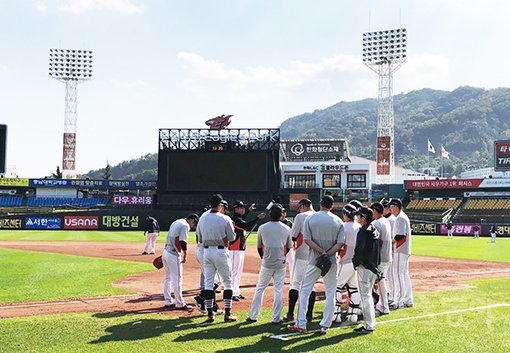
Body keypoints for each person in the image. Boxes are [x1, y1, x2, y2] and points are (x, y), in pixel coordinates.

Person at [287, 195, 345, 335]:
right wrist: (328, 253)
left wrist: (321, 252)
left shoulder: (310, 218)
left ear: (320, 204)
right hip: (331, 260)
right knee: (331, 291)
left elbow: (307, 239)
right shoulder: (338, 221)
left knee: (305, 290)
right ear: (332, 206)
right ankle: (325, 325)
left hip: (314, 259)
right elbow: (340, 243)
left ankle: (301, 323)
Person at [246, 204, 293, 323]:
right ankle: (276, 318)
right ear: (281, 214)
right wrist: (282, 257)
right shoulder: (286, 228)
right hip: (280, 263)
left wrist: (264, 258)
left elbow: (259, 247)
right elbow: (288, 247)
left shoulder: (262, 227)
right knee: (278, 289)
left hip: (267, 263)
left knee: (260, 288)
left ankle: (253, 316)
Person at [196, 194, 237, 323]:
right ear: (220, 205)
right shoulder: (225, 219)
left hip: (207, 251)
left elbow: (199, 237)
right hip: (220, 251)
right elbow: (232, 238)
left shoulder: (202, 218)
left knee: (208, 283)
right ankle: (228, 313)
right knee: (227, 282)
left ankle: (210, 315)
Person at [283, 198, 316, 322]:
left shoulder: (300, 217)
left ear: (302, 206)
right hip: (315, 255)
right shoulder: (318, 216)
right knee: (311, 286)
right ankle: (309, 315)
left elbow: (293, 236)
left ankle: (291, 313)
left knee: (296, 283)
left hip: (302, 254)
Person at [352, 207, 382, 335]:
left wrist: (355, 262)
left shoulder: (363, 231)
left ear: (363, 218)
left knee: (365, 296)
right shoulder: (374, 230)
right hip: (373, 267)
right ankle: (370, 323)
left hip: (364, 267)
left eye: (358, 216)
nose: (357, 218)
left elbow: (359, 250)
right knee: (368, 295)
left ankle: (369, 325)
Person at [162, 213, 199, 311]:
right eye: (194, 224)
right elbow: (182, 241)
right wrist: (185, 254)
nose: (193, 226)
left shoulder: (177, 221)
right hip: (173, 254)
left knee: (168, 278)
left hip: (166, 252)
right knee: (177, 279)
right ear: (192, 220)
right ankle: (180, 303)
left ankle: (168, 301)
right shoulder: (185, 225)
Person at [230, 200, 266, 301]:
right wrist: (257, 218)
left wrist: (249, 211)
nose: (243, 209)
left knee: (238, 271)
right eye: (241, 208)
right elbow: (246, 225)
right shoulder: (235, 219)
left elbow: (243, 221)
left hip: (239, 248)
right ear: (236, 209)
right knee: (234, 272)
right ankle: (232, 292)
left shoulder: (238, 218)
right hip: (235, 248)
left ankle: (236, 291)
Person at [334, 204, 362, 325]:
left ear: (346, 214)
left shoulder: (344, 226)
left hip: (346, 261)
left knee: (337, 286)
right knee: (354, 288)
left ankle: (336, 314)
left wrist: (340, 256)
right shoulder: (359, 226)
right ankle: (353, 314)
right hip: (356, 261)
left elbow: (342, 245)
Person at [389, 198, 413, 309]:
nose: (390, 209)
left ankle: (399, 300)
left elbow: (400, 236)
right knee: (404, 275)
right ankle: (408, 299)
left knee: (398, 275)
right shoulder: (402, 217)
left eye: (391, 207)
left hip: (400, 249)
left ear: (395, 207)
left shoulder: (400, 218)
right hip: (404, 249)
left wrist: (391, 240)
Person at [370, 202, 392, 316]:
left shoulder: (377, 223)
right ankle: (382, 305)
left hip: (381, 257)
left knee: (380, 281)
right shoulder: (385, 221)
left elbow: (378, 242)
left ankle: (383, 306)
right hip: (387, 255)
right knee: (381, 281)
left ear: (375, 211)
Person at [381, 199, 397, 306]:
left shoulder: (391, 219)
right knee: (390, 275)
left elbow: (393, 237)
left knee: (391, 275)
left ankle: (393, 296)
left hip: (392, 250)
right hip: (391, 250)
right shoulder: (389, 219)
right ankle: (391, 295)